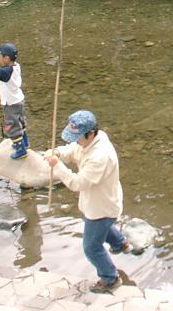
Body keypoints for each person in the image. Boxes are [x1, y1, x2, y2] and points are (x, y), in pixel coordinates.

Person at [45, 110, 132, 294]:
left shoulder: (99, 156)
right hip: (103, 202)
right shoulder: (89, 141)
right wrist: (58, 152)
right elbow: (74, 150)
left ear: (90, 133)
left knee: (91, 247)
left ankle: (110, 278)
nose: (75, 141)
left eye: (77, 137)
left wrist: (57, 166)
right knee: (104, 226)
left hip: (101, 205)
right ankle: (121, 244)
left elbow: (78, 183)